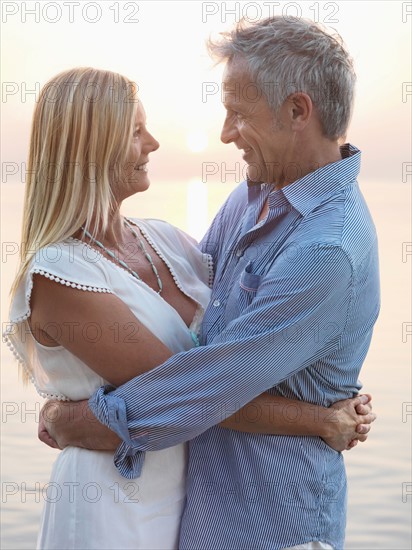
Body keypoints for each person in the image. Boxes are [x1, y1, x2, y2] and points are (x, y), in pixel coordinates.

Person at [38, 16, 380, 550]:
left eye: (237, 114)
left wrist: (84, 418)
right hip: (195, 518)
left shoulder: (328, 247)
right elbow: (198, 320)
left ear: (297, 111)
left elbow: (210, 385)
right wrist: (320, 419)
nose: (224, 133)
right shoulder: (255, 196)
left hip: (275, 526)